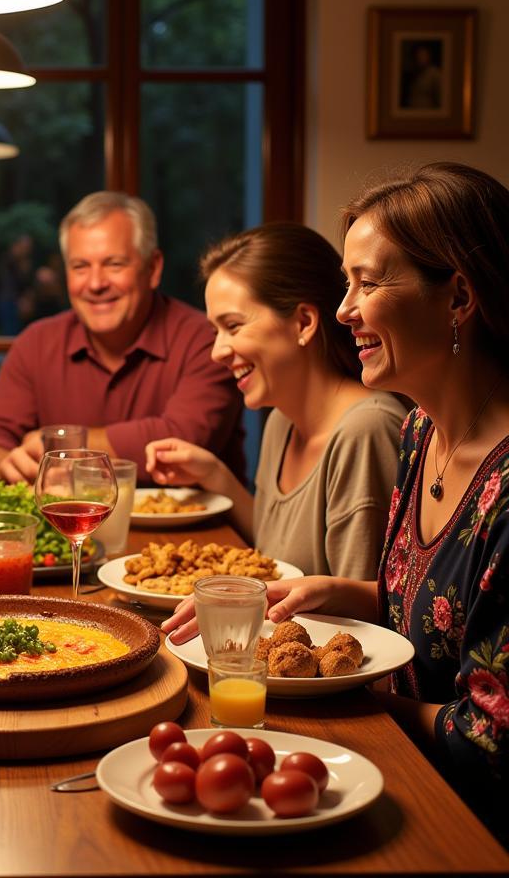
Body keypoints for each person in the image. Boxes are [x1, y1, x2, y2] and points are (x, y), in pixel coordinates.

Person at [163, 163, 509, 841]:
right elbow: (434, 612)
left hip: (464, 823)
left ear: (458, 296)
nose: (344, 309)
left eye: (368, 283)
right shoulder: (420, 434)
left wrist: (357, 700)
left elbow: (489, 739)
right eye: (346, 282)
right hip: (393, 772)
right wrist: (325, 594)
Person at [144, 223, 405, 578]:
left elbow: (364, 612)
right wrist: (215, 476)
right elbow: (275, 556)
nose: (217, 352)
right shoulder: (282, 420)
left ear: (303, 323)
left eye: (233, 326)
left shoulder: (365, 430)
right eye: (215, 331)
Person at [0, 190, 245, 485]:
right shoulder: (35, 343)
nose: (96, 283)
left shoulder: (208, 340)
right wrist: (8, 465)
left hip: (199, 531)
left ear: (153, 268)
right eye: (80, 267)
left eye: (114, 264)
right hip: (68, 529)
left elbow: (186, 437)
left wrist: (61, 447)